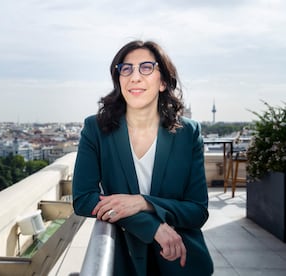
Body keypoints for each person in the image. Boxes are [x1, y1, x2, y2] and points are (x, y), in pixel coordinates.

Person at [72, 40, 214, 275]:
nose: (134, 77)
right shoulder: (96, 129)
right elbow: (84, 199)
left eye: (146, 67)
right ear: (119, 80)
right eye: (126, 69)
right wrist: (151, 224)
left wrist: (142, 202)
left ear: (163, 82)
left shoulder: (188, 133)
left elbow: (197, 210)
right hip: (124, 259)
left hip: (181, 261)